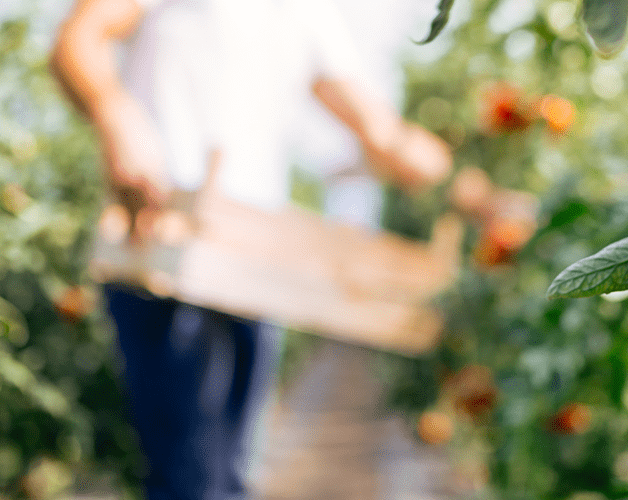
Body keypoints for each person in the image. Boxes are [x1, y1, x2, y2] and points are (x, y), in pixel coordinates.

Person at [49, 0, 453, 498]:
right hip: (165, 244)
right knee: (191, 476)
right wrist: (117, 118)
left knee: (232, 471)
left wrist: (449, 164)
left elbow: (379, 129)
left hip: (255, 267)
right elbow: (78, 38)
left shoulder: (306, 13)